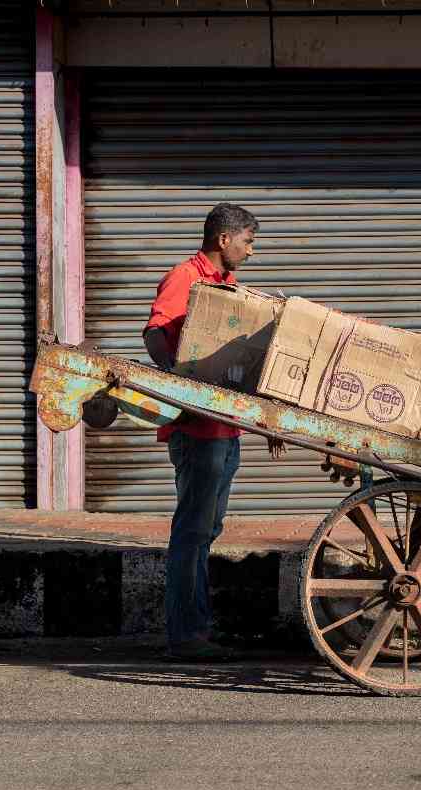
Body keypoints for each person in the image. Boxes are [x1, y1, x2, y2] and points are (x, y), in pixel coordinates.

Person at [142, 203, 284, 662]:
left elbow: (240, 368)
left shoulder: (229, 289)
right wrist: (180, 383)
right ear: (224, 239)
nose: (251, 251)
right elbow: (154, 332)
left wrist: (264, 420)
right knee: (192, 530)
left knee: (207, 530)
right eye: (248, 241)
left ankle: (195, 628)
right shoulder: (185, 277)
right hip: (198, 433)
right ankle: (186, 636)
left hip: (227, 433)